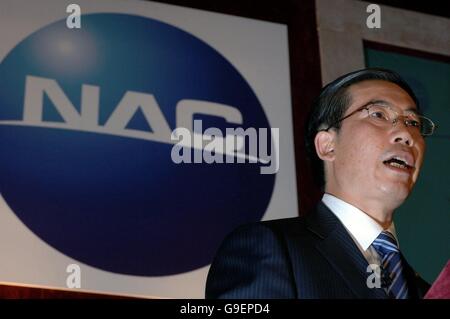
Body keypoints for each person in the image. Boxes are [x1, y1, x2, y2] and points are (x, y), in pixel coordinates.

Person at [205, 68, 435, 299]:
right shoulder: (269, 248)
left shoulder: (426, 291)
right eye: (378, 114)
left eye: (413, 122)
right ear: (327, 145)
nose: (406, 134)